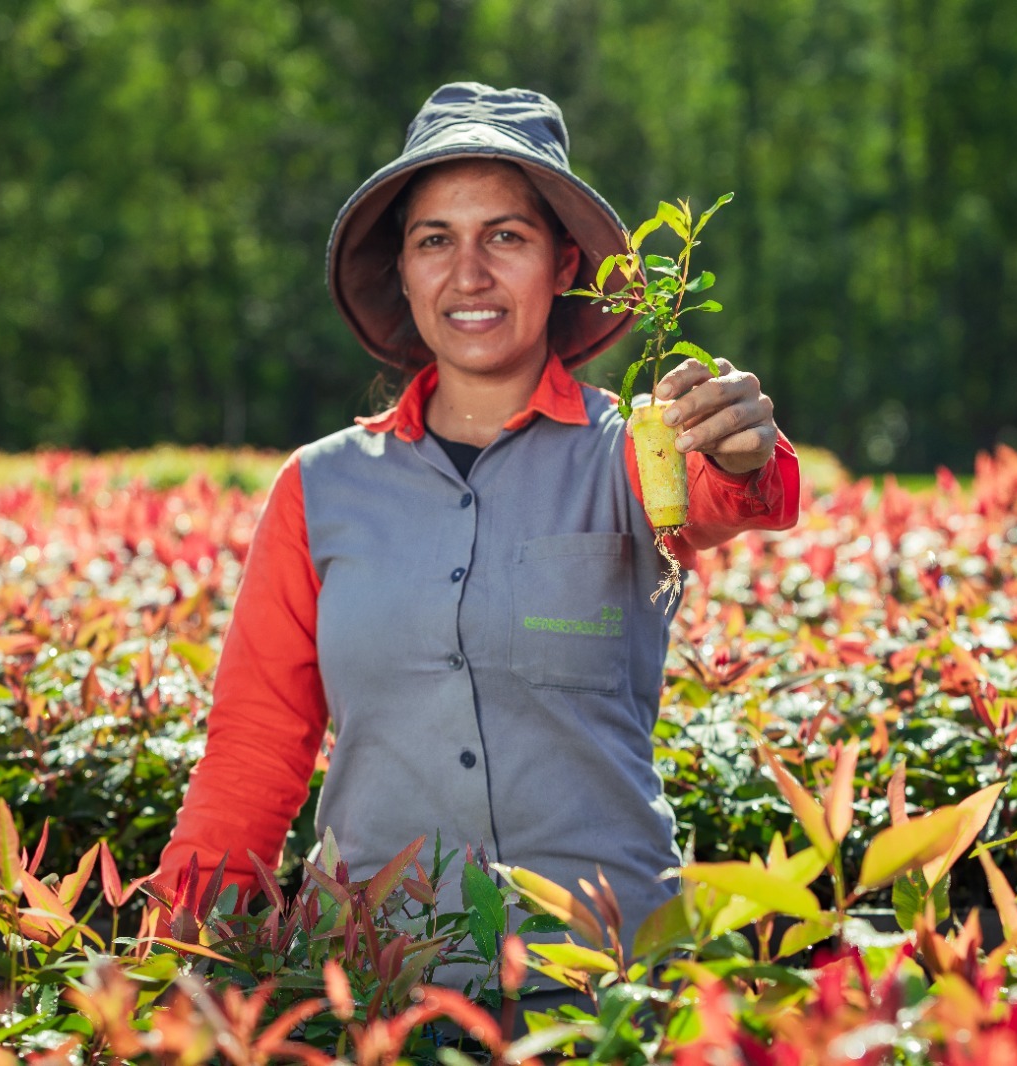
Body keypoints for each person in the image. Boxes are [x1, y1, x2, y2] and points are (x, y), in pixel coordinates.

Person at [154, 82, 800, 999]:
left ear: (562, 262)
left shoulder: (635, 455)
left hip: (601, 987)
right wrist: (176, 958)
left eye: (506, 235)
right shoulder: (321, 487)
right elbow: (257, 744)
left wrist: (742, 443)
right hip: (377, 992)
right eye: (435, 241)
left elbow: (730, 494)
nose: (469, 274)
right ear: (404, 270)